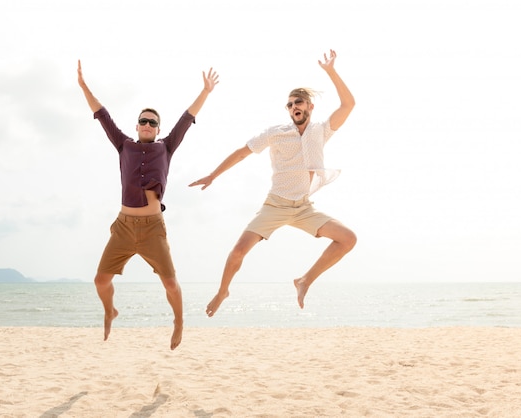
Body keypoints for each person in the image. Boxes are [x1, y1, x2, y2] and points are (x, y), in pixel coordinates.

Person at [189, 50, 356, 317]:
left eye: (298, 102)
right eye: (289, 105)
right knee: (237, 252)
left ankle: (305, 280)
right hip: (275, 204)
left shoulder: (320, 131)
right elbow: (243, 152)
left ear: (310, 106)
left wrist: (331, 72)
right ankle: (223, 291)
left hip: (303, 208)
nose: (293, 108)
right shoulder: (276, 133)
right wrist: (213, 175)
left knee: (348, 239)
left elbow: (348, 105)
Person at [78, 60, 219, 349]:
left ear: (157, 129)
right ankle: (110, 310)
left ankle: (179, 321)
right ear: (137, 125)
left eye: (152, 122)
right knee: (100, 281)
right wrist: (83, 86)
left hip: (153, 228)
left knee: (170, 283)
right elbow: (101, 114)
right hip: (124, 227)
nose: (146, 125)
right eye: (142, 120)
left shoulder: (166, 147)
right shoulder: (124, 145)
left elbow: (186, 118)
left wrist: (205, 91)